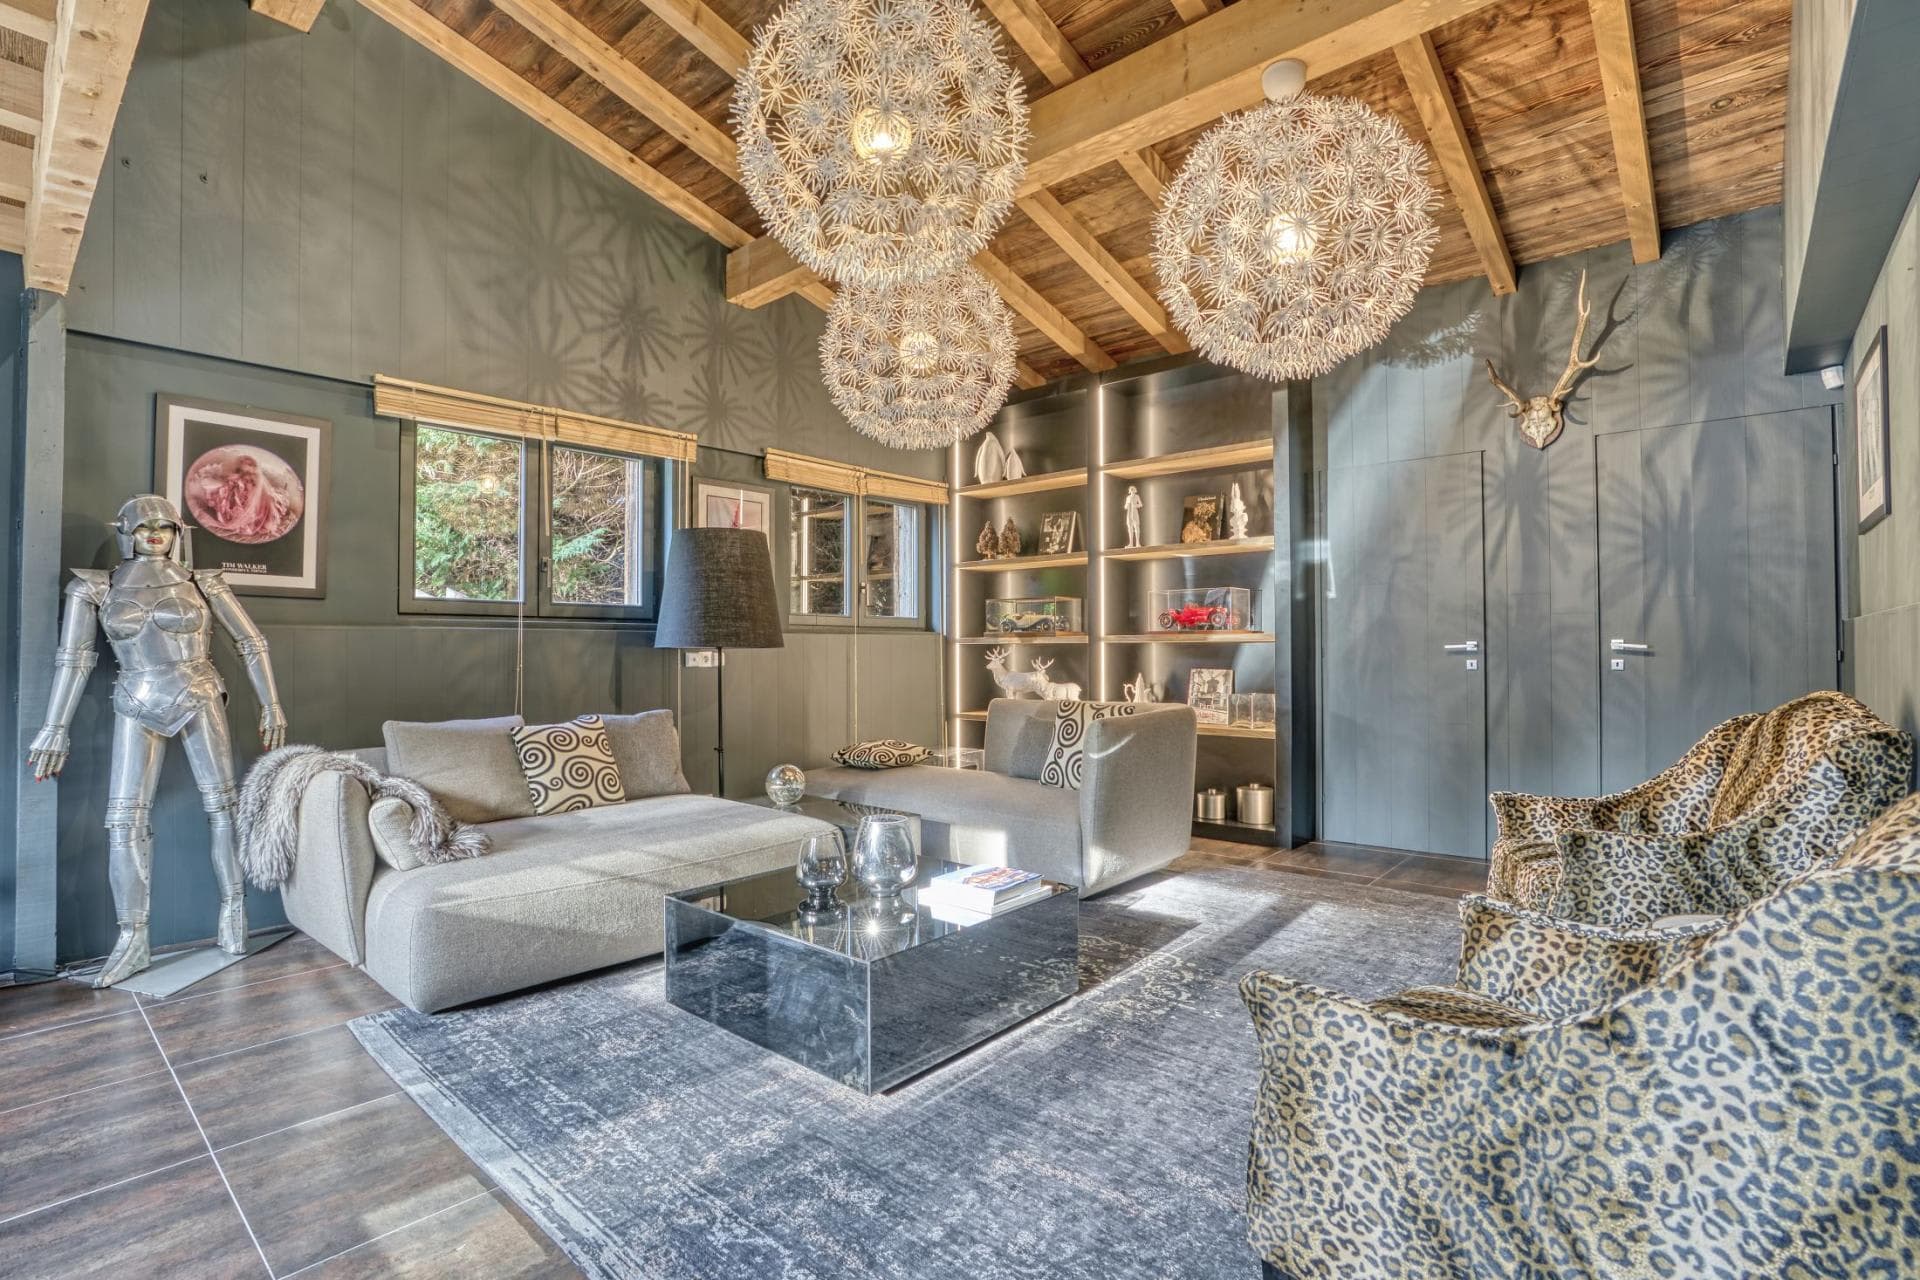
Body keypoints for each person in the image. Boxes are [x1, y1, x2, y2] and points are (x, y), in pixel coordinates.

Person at [25, 495, 287, 987]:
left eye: (164, 527)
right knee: (123, 819)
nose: (154, 535)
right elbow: (74, 658)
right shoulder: (94, 587)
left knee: (222, 807)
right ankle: (132, 936)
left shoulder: (202, 582)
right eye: (144, 527)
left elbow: (251, 641)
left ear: (177, 532)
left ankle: (234, 912)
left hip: (199, 692)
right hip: (135, 696)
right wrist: (54, 726)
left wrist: (271, 702)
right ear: (125, 531)